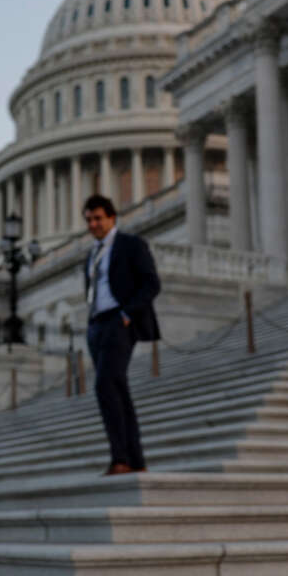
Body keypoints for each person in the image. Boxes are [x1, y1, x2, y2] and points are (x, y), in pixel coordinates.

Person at [81, 194, 161, 476]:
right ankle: (135, 460)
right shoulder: (91, 254)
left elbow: (152, 284)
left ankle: (120, 458)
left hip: (118, 321)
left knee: (105, 385)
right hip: (97, 325)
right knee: (118, 391)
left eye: (98, 218)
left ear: (112, 217)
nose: (93, 224)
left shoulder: (130, 245)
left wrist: (126, 316)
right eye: (89, 220)